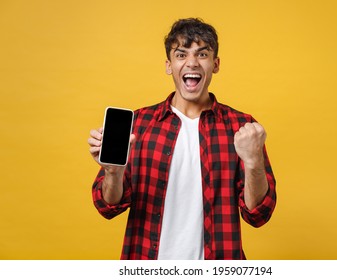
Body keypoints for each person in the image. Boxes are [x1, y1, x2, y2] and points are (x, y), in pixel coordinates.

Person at [88, 18, 276, 260]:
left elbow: (258, 214)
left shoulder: (241, 128)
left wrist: (254, 163)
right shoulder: (138, 124)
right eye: (181, 54)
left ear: (215, 64)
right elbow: (107, 207)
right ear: (169, 65)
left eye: (202, 54)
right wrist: (113, 173)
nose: (192, 63)